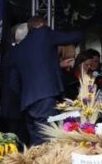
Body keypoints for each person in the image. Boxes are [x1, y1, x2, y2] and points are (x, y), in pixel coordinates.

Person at [8, 15, 83, 145]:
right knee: (46, 140)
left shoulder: (17, 49)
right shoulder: (43, 33)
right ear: (42, 25)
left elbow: (13, 83)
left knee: (35, 140)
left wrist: (26, 97)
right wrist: (82, 31)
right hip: (45, 98)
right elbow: (73, 37)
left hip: (28, 103)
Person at [0, 23, 30, 145]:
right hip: (16, 107)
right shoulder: (20, 54)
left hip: (9, 106)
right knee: (16, 143)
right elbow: (14, 83)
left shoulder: (11, 53)